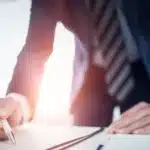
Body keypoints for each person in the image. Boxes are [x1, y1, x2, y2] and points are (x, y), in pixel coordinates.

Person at [1, 0, 150, 140]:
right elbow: (36, 47)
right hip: (91, 73)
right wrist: (18, 102)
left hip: (141, 68)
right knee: (82, 139)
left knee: (140, 131)